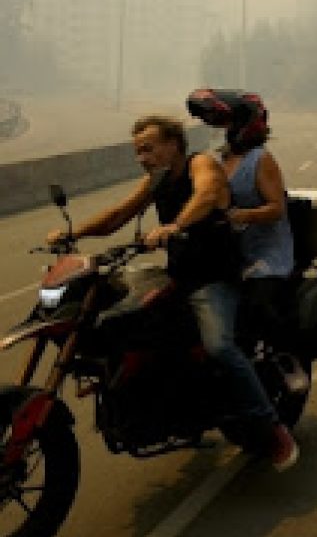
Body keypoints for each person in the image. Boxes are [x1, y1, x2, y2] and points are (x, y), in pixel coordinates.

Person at [47, 114, 299, 471]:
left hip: (214, 279)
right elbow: (118, 214)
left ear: (173, 145)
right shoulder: (157, 180)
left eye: (148, 149)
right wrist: (74, 236)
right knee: (128, 324)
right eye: (138, 152)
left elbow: (208, 194)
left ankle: (272, 427)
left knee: (219, 346)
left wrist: (175, 226)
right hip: (178, 278)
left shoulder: (201, 164)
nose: (143, 158)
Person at [218, 95, 306, 389]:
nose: (226, 128)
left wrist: (241, 215)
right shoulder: (222, 160)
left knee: (254, 304)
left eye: (231, 122)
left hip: (268, 252)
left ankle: (286, 357)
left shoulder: (261, 159)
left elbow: (276, 207)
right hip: (233, 251)